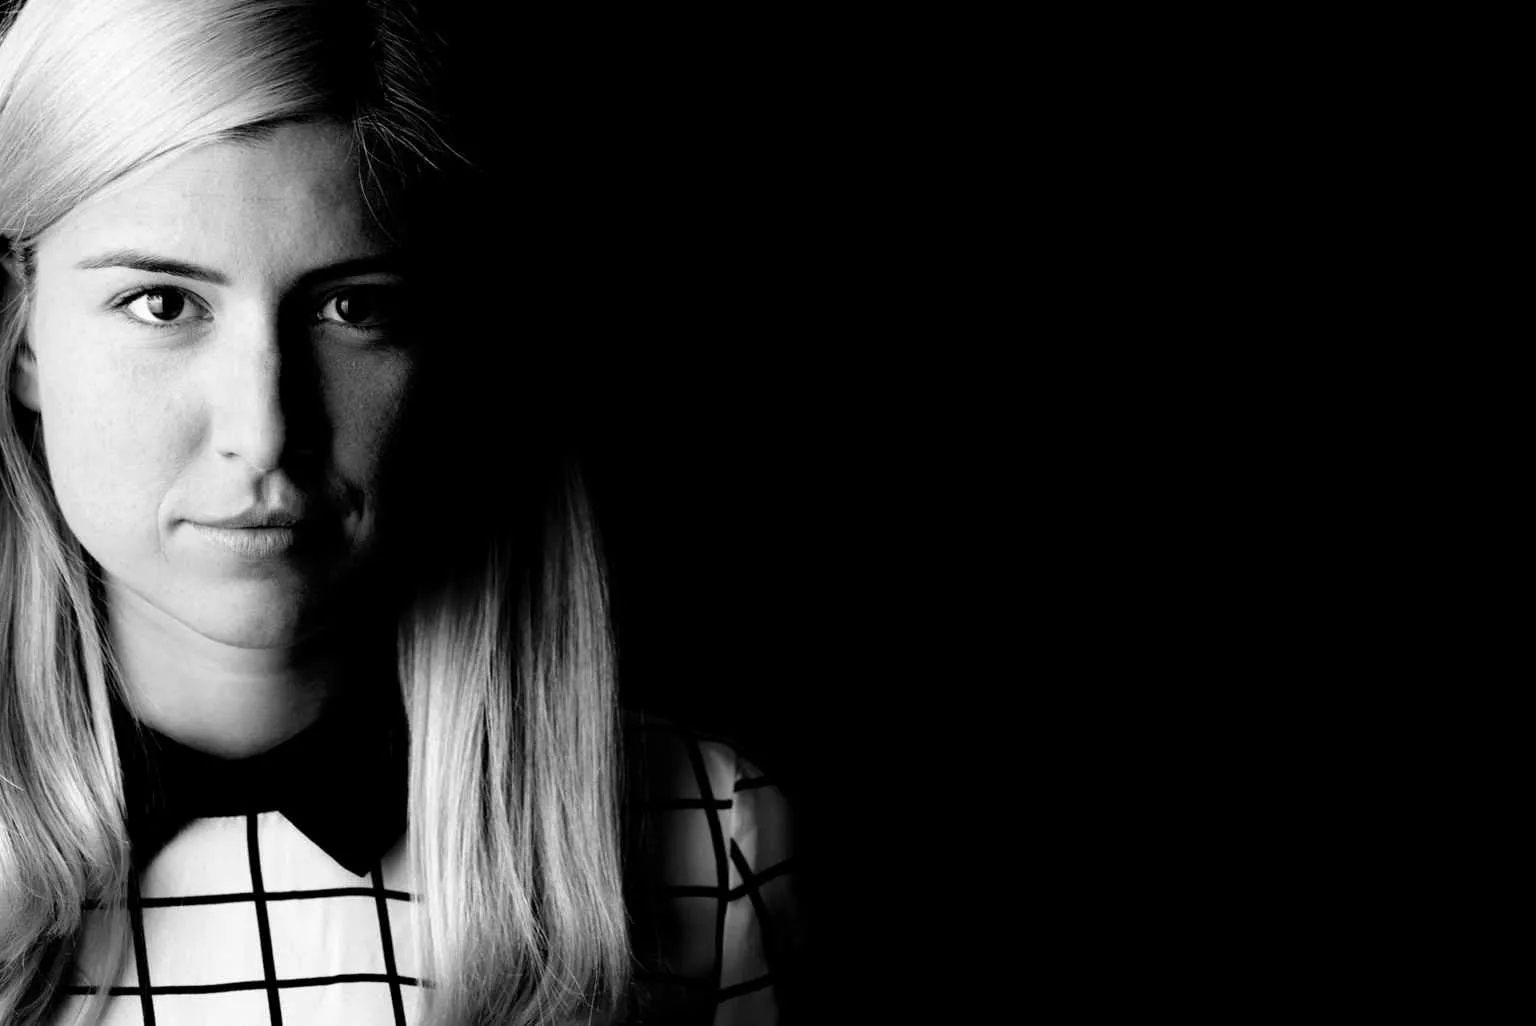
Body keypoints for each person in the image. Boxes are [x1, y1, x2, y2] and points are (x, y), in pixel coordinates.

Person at [0, 1, 801, 1024]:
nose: (266, 429)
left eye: (353, 307)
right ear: (22, 334)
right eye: (164, 303)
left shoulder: (706, 829)